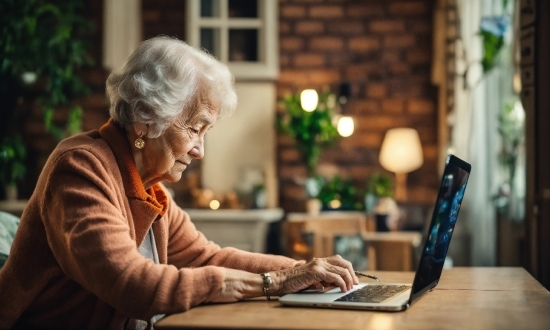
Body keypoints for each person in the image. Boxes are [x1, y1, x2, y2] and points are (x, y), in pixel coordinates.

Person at [0, 36, 359, 329]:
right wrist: (275, 283)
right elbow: (132, 285)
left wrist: (303, 271)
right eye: (194, 128)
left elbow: (207, 258)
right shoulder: (80, 169)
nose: (200, 150)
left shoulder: (150, 189)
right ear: (145, 119)